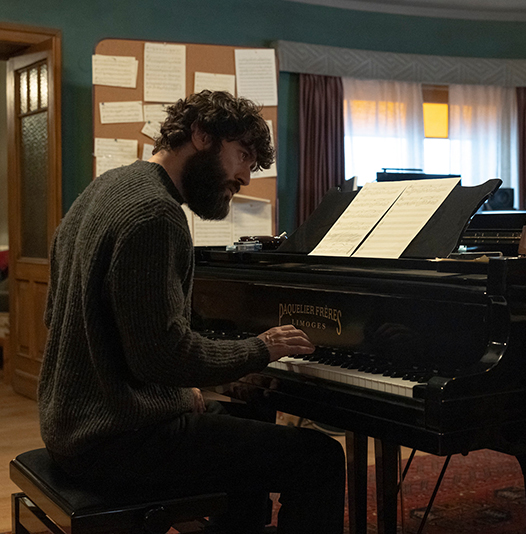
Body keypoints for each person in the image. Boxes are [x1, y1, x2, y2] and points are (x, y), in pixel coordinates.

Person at [38, 90, 345, 534]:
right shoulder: (155, 215)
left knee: (251, 418)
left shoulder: (105, 188)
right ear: (201, 135)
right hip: (114, 441)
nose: (244, 177)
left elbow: (60, 315)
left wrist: (180, 392)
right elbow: (161, 357)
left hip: (74, 424)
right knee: (320, 457)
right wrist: (261, 348)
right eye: (241, 155)